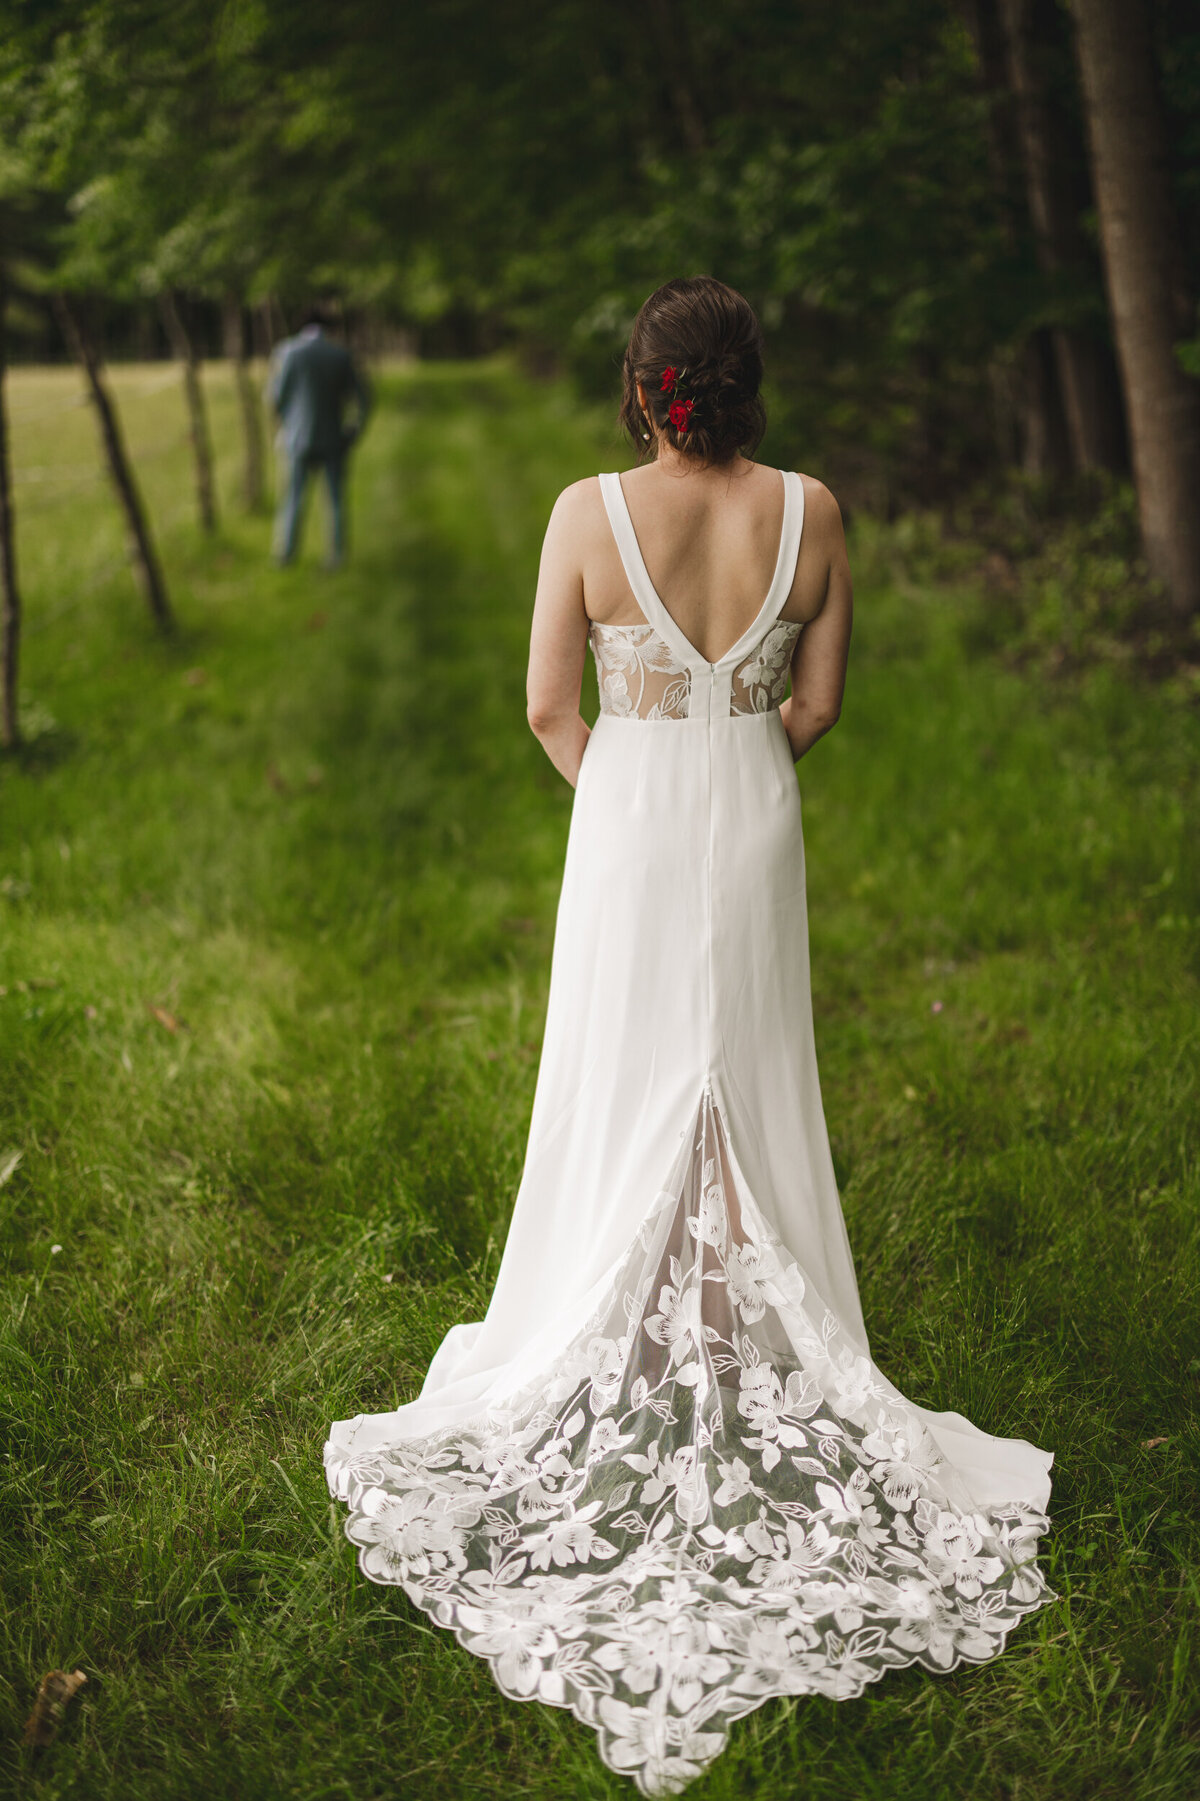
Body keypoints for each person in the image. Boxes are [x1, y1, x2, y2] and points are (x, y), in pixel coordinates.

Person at [325, 277, 1056, 1794]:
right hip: (751, 811)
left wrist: (640, 788)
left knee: (630, 1075)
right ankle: (740, 1325)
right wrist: (731, 759)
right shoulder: (818, 510)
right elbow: (824, 706)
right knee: (744, 1074)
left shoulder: (585, 512)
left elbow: (544, 708)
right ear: (747, 385)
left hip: (631, 819)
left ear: (642, 386)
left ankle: (627, 1320)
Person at [269, 306, 372, 568]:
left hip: (295, 439)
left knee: (292, 498)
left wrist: (285, 425)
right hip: (334, 439)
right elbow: (364, 399)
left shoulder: (287, 352)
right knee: (335, 501)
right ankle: (336, 556)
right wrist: (353, 431)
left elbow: (276, 398)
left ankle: (285, 554)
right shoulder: (341, 355)